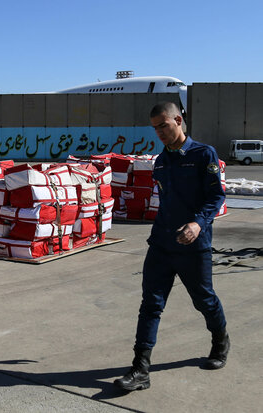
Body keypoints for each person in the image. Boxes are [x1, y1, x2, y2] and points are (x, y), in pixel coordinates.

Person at [114, 101, 229, 391]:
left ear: (178, 120)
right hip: (162, 244)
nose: (159, 133)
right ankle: (140, 369)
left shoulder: (204, 154)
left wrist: (198, 224)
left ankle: (220, 340)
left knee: (204, 299)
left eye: (163, 126)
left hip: (194, 245)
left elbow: (216, 196)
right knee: (150, 305)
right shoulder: (161, 161)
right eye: (155, 128)